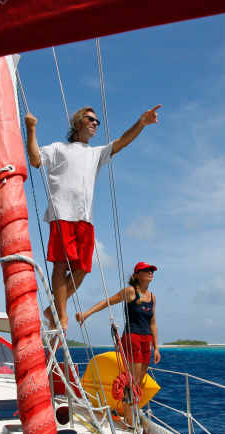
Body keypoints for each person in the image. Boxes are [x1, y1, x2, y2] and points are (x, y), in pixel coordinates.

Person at [25, 104, 161, 332]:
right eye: (91, 119)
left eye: (97, 121)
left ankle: (53, 309)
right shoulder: (59, 148)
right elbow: (36, 160)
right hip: (62, 214)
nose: (95, 124)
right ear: (78, 123)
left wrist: (141, 123)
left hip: (85, 218)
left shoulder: (95, 153)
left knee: (83, 269)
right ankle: (61, 314)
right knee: (60, 266)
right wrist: (31, 130)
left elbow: (122, 142)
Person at [76, 261, 161, 411]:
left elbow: (153, 323)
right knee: (132, 379)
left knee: (140, 381)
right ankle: (129, 415)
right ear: (136, 275)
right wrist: (86, 314)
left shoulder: (153, 297)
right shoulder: (130, 292)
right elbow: (108, 302)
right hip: (132, 338)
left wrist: (156, 348)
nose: (150, 272)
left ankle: (131, 411)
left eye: (152, 270)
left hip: (146, 340)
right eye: (146, 270)